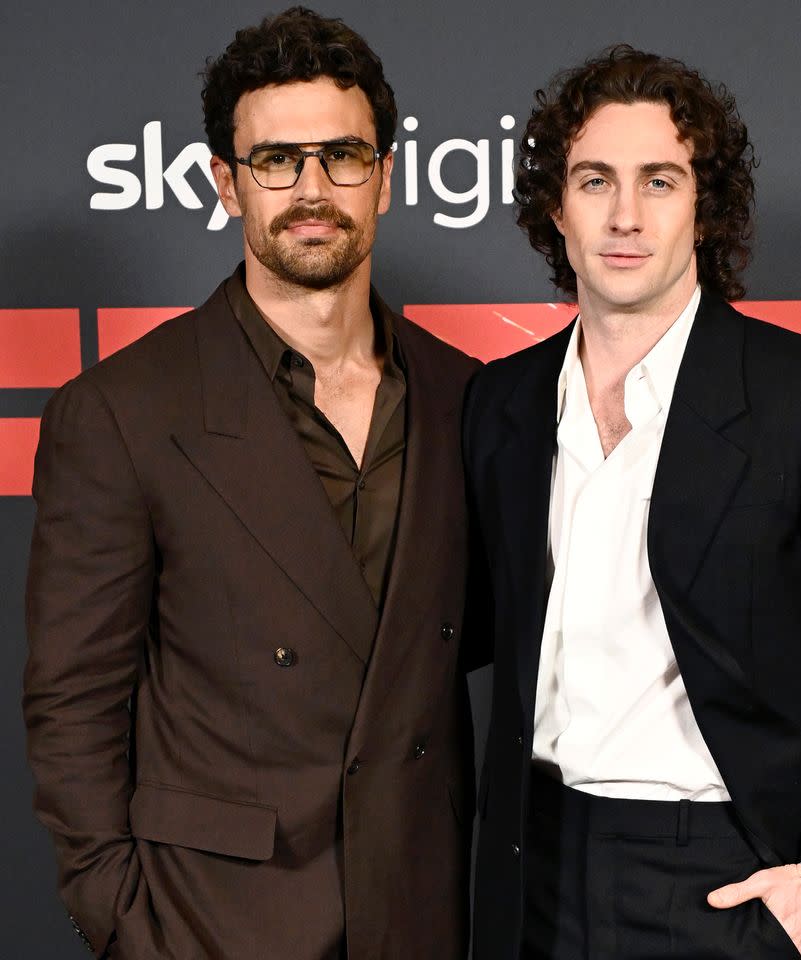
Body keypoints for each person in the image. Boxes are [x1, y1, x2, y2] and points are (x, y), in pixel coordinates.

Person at [463, 46, 801, 960]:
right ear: (555, 209)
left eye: (660, 181)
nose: (624, 215)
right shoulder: (504, 401)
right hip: (537, 873)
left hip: (735, 876)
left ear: (704, 207)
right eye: (594, 179)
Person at [23, 8, 478, 959]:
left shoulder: (464, 396)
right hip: (214, 920)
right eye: (277, 161)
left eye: (342, 155)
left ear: (387, 177)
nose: (312, 189)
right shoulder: (122, 411)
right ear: (229, 183)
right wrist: (127, 923)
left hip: (423, 911)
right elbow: (73, 705)